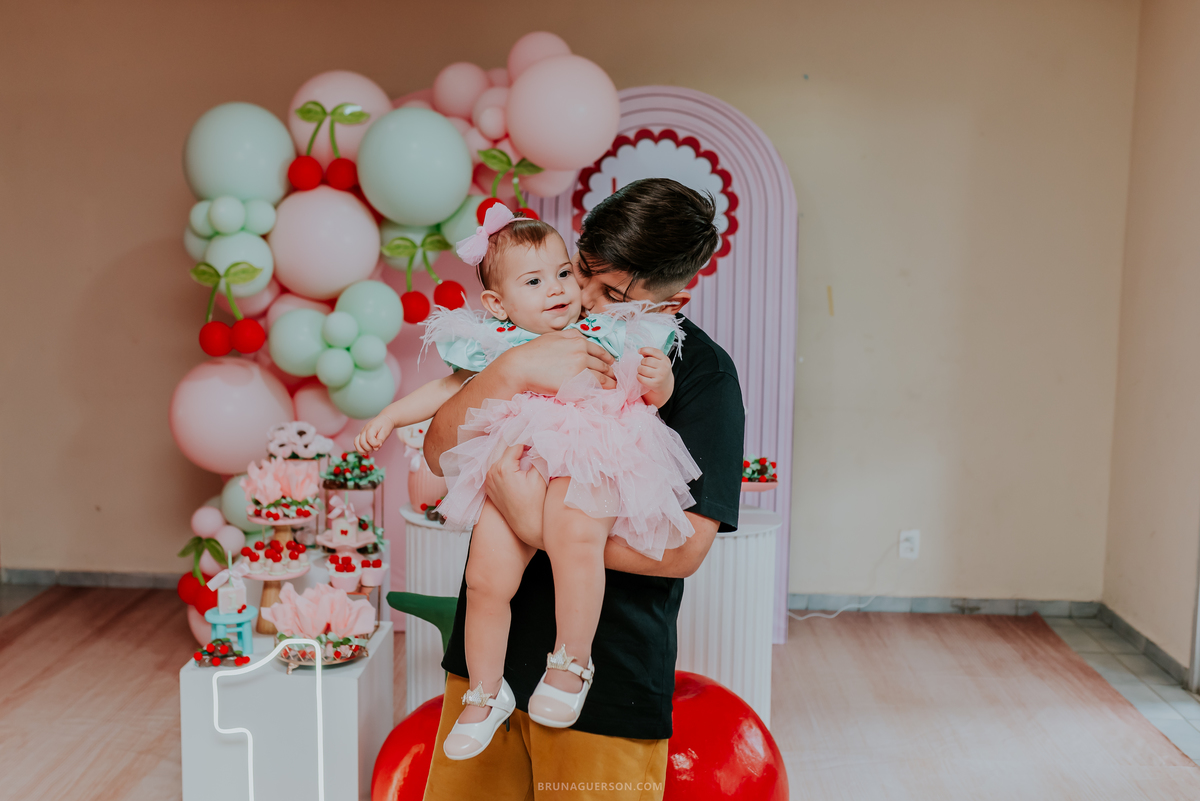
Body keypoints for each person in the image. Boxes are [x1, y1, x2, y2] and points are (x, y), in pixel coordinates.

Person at [420, 178, 746, 801]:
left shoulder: (700, 374)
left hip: (608, 685)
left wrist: (532, 523)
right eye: (582, 270)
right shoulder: (525, 332)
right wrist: (510, 370)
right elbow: (439, 453)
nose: (583, 298)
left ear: (674, 299)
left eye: (613, 293)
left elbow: (683, 552)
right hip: (486, 668)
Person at [355, 203, 702, 760]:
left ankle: (571, 661)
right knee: (485, 578)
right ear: (498, 304)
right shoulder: (501, 341)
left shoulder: (611, 328)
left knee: (575, 536)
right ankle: (485, 691)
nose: (560, 288)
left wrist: (658, 381)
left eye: (563, 273)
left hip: (591, 453)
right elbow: (450, 390)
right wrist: (392, 415)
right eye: (534, 281)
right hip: (517, 463)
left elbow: (649, 394)